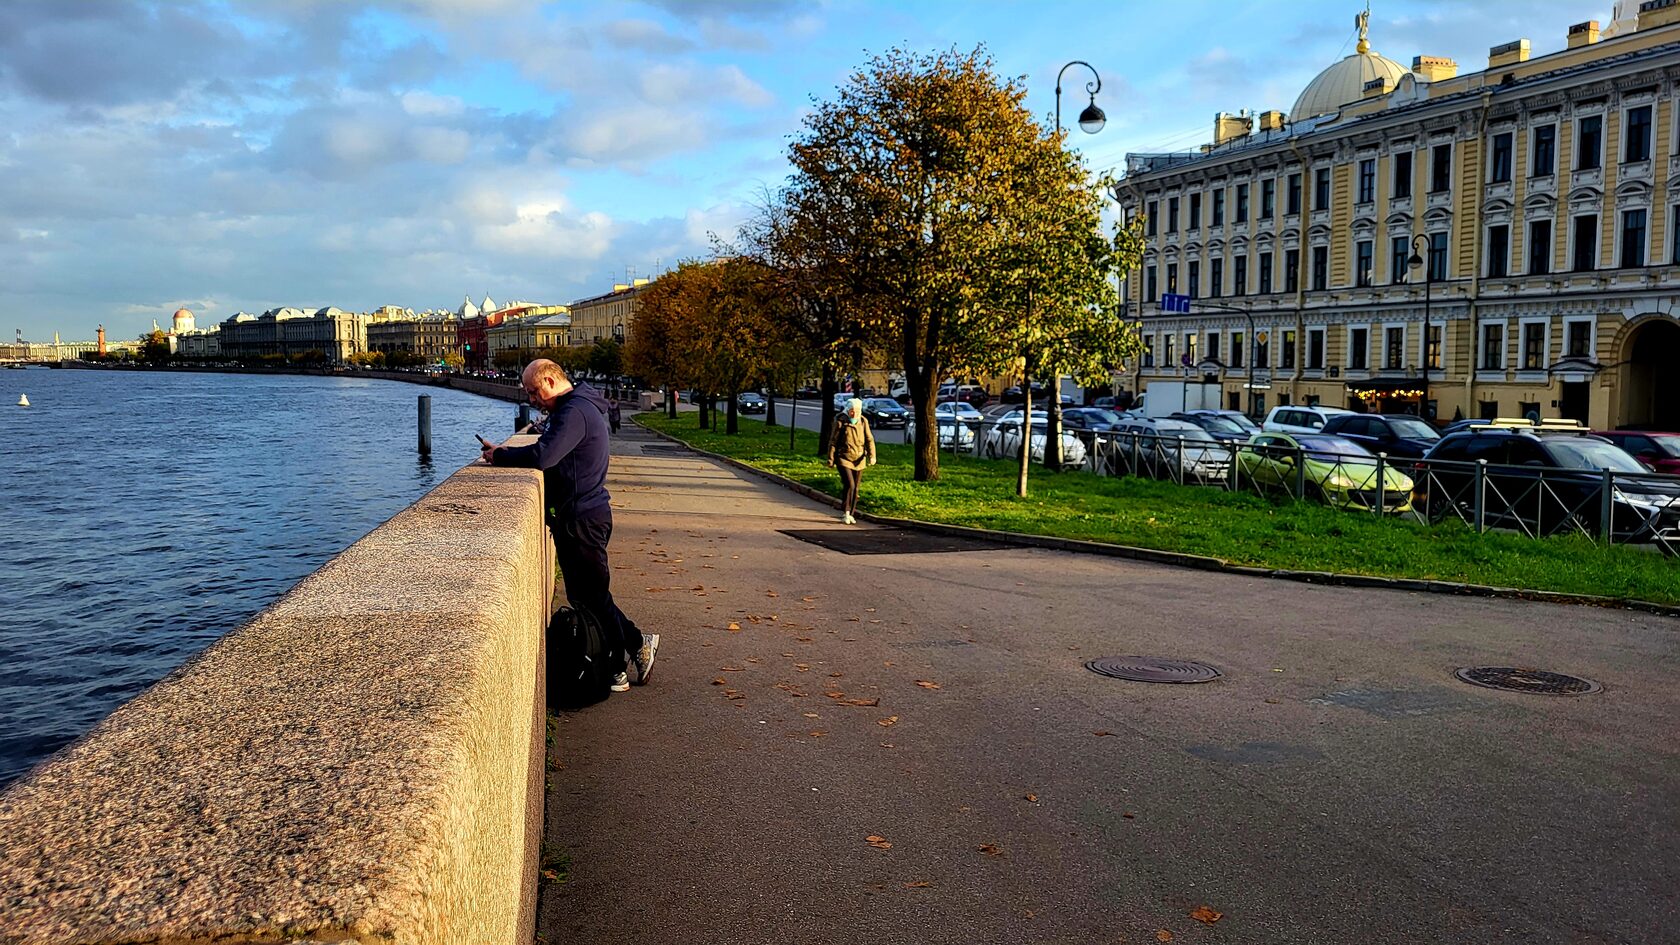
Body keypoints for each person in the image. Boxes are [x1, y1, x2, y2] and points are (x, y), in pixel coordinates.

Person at [482, 359, 655, 693]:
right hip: (581, 514)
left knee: (592, 597)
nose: (531, 399)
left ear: (549, 380)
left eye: (534, 391)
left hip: (583, 518)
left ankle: (620, 663)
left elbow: (543, 457)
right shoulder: (575, 407)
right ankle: (634, 645)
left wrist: (500, 456)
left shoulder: (574, 411)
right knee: (587, 595)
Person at [826, 397, 876, 525]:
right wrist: (831, 459)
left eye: (857, 410)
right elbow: (833, 442)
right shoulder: (841, 422)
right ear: (848, 410)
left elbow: (869, 440)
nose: (855, 413)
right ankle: (846, 512)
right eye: (852, 411)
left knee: (856, 488)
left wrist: (872, 456)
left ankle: (852, 513)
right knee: (850, 485)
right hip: (844, 458)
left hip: (859, 459)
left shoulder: (863, 421)